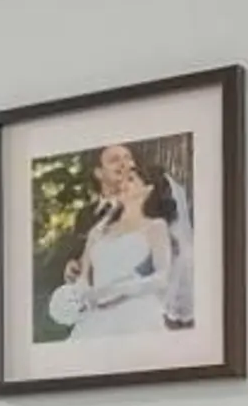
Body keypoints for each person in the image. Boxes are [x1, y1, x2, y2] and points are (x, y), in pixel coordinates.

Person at [48, 142, 182, 341]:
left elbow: (163, 276)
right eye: (115, 161)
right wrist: (72, 298)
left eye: (130, 178)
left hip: (135, 312)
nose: (122, 183)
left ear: (148, 189)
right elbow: (84, 276)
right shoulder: (98, 228)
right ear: (99, 173)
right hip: (96, 315)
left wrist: (118, 290)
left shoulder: (156, 226)